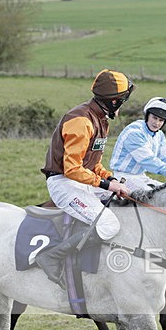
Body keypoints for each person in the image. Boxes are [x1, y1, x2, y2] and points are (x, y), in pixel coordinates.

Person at [36, 69, 134, 287]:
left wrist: (112, 179)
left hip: (81, 180)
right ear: (114, 101)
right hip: (64, 183)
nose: (122, 106)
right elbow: (72, 169)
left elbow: (93, 164)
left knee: (130, 194)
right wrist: (107, 184)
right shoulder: (81, 121)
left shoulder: (101, 120)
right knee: (109, 224)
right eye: (122, 101)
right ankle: (51, 257)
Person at [109, 97, 166, 191]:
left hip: (141, 177)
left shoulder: (159, 135)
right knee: (155, 198)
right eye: (154, 118)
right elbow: (149, 161)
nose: (157, 123)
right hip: (123, 177)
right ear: (147, 115)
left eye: (161, 120)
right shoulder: (134, 132)